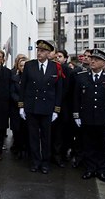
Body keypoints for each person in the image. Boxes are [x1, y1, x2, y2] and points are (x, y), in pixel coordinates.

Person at [73, 49, 105, 182]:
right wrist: (76, 116)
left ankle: (101, 170)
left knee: (103, 146)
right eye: (92, 59)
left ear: (104, 63)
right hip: (87, 118)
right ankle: (90, 169)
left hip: (104, 119)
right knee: (88, 145)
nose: (92, 61)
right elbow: (76, 98)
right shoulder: (81, 76)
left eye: (96, 59)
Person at [18, 40, 63, 174]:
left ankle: (45, 162)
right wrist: (21, 106)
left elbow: (58, 90)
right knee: (33, 136)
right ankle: (35, 161)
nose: (39, 53)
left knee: (46, 137)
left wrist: (56, 109)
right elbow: (23, 87)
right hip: (32, 106)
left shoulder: (56, 67)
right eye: (38, 50)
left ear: (49, 53)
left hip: (47, 108)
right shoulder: (29, 65)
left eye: (43, 51)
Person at [52, 49, 73, 167]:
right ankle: (53, 154)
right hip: (52, 106)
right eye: (55, 56)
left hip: (64, 107)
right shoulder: (51, 68)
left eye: (59, 56)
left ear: (65, 58)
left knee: (63, 133)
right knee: (54, 132)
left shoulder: (68, 71)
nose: (57, 58)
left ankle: (61, 154)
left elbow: (67, 89)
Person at [10, 56, 28, 159]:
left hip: (28, 109)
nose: (23, 67)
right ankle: (18, 149)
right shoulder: (14, 78)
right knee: (17, 130)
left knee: (26, 130)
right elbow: (12, 93)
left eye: (25, 65)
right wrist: (21, 103)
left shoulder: (32, 79)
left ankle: (26, 150)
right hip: (16, 108)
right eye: (21, 66)